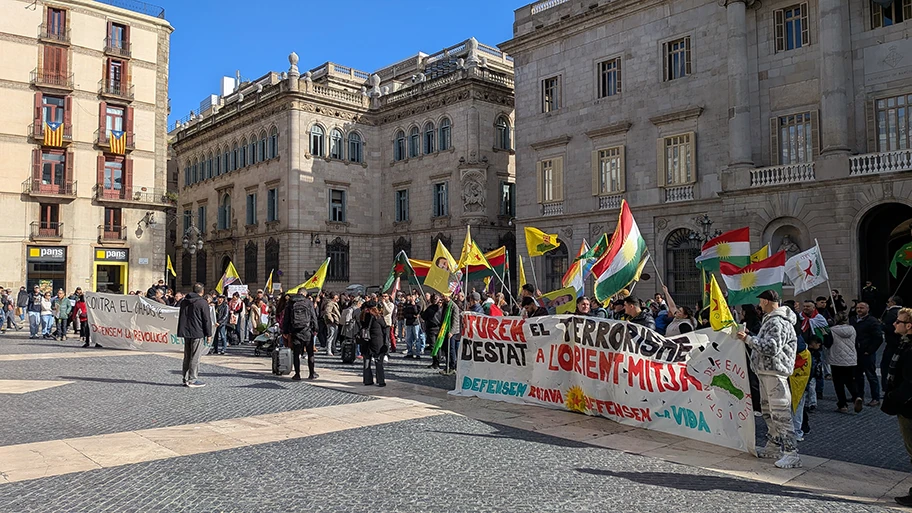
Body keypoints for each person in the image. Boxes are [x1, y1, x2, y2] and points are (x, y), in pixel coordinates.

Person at [736, 290, 801, 469]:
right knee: (768, 411)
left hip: (775, 373)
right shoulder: (770, 320)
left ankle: (791, 453)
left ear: (765, 301)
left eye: (760, 301)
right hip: (766, 372)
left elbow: (771, 348)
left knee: (780, 413)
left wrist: (748, 339)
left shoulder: (777, 322)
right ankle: (774, 445)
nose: (759, 305)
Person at [882, 307, 912, 506]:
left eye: (898, 321)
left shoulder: (909, 350)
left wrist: (895, 397)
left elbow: (910, 382)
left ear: (909, 326)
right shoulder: (904, 345)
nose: (894, 324)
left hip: (909, 408)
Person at [176, 283, 212, 388]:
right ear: (202, 291)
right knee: (195, 356)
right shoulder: (202, 302)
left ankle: (185, 378)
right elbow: (206, 319)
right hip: (197, 331)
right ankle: (192, 379)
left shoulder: (184, 301)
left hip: (186, 331)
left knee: (187, 355)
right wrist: (209, 334)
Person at [829, 313, 863, 414]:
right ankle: (856, 396)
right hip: (851, 359)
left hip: (837, 359)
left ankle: (842, 404)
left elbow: (828, 343)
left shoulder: (832, 330)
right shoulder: (852, 329)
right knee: (850, 380)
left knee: (838, 383)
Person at [281, 291, 318, 380]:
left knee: (296, 353)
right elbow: (313, 316)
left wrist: (285, 331)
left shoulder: (291, 302)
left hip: (295, 331)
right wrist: (316, 329)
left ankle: (297, 374)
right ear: (304, 294)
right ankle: (312, 373)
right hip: (307, 330)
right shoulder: (308, 302)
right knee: (310, 353)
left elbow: (286, 318)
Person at [852, 301, 883, 406]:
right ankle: (859, 396)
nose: (859, 310)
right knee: (857, 376)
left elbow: (878, 338)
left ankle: (876, 398)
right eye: (857, 308)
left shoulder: (872, 321)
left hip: (867, 353)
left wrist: (869, 350)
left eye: (862, 308)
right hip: (856, 352)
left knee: (871, 376)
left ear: (867, 309)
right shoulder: (853, 320)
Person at [360, 300, 387, 387]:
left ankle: (367, 380)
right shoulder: (378, 317)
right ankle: (380, 381)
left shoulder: (363, 316)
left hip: (365, 340)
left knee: (366, 361)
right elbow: (384, 327)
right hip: (377, 341)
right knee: (378, 361)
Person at [883, 296, 905, 393]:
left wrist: (881, 326)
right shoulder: (903, 312)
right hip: (901, 343)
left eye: (888, 302)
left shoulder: (891, 313)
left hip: (892, 343)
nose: (887, 304)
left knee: (887, 365)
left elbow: (889, 328)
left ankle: (887, 387)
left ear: (893, 303)